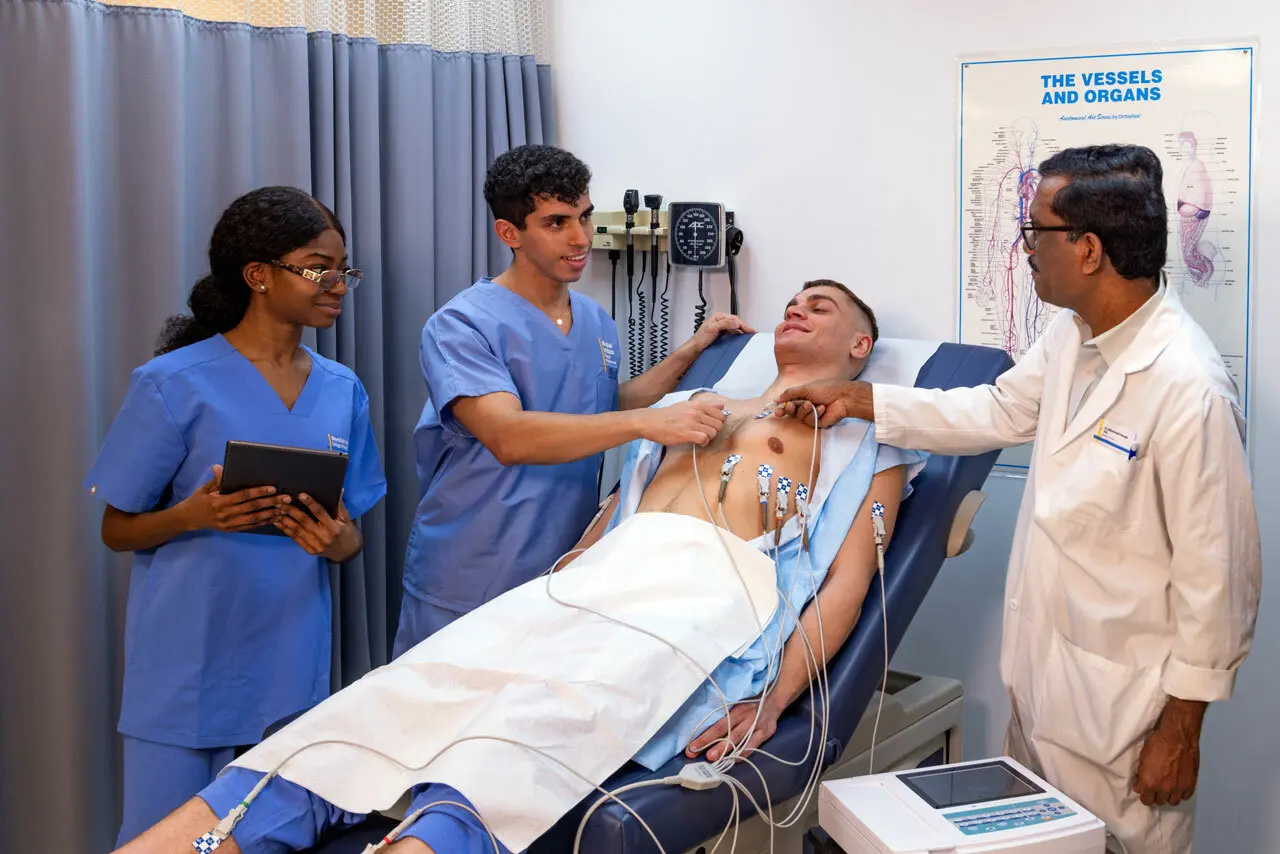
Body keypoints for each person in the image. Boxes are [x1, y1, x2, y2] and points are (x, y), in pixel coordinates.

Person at [114, 281, 925, 854]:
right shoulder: (692, 412)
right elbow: (609, 515)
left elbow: (846, 583)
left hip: (702, 594)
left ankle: (437, 834)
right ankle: (246, 813)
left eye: (821, 306)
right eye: (793, 298)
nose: (797, 307)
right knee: (390, 701)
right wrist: (560, 579)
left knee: (522, 738)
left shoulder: (866, 444)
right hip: (589, 580)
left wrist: (774, 698)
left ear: (859, 345)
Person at [776, 145, 1262, 854]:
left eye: (1037, 231)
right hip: (1044, 690)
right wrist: (857, 399)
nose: (1025, 247)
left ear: (1088, 250)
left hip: (1126, 720)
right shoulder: (1075, 335)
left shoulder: (1187, 389)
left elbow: (1220, 582)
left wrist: (1181, 732)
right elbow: (998, 411)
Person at [85, 186, 388, 846]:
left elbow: (352, 537)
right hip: (184, 677)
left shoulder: (342, 392)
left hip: (288, 677)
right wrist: (194, 515)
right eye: (318, 267)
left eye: (344, 269)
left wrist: (335, 541)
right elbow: (116, 529)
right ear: (258, 276)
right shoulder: (172, 383)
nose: (338, 283)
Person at [396, 144, 751, 654]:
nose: (581, 238)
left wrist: (693, 349)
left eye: (584, 217)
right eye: (557, 222)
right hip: (472, 564)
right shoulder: (462, 325)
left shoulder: (593, 320)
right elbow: (509, 435)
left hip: (564, 559)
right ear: (509, 233)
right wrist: (650, 425)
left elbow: (603, 402)